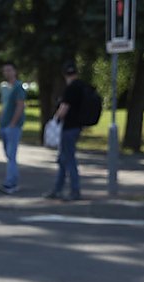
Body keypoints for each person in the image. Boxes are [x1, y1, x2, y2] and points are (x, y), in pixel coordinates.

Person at [45, 61, 85, 201]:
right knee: (63, 160)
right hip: (77, 126)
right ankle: (57, 189)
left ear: (64, 74)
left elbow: (64, 109)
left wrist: (54, 120)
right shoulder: (81, 86)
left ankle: (75, 191)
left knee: (69, 159)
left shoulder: (70, 89)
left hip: (68, 127)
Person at [0, 62, 26, 195]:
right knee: (8, 155)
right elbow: (3, 104)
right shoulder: (3, 87)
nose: (7, 73)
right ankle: (12, 179)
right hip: (3, 124)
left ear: (15, 71)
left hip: (13, 126)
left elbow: (20, 106)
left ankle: (10, 182)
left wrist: (13, 123)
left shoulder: (18, 87)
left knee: (12, 154)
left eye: (9, 70)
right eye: (5, 70)